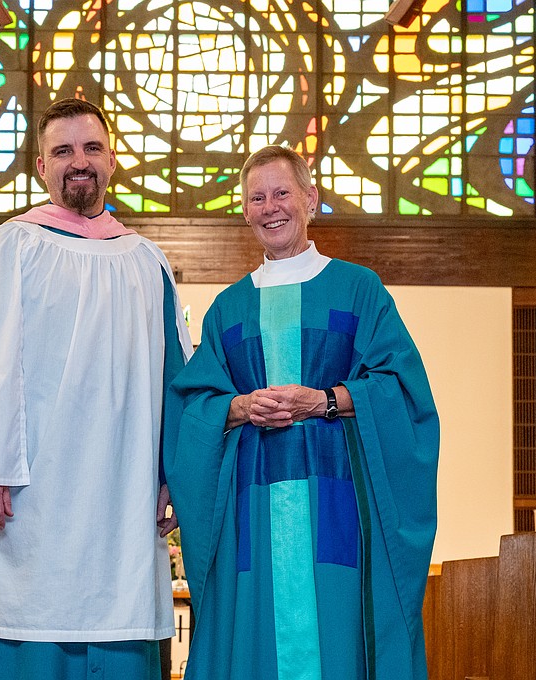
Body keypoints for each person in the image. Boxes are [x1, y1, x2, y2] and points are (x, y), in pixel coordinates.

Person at [0, 97, 192, 680]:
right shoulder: (11, 246)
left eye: (91, 148)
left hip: (118, 496)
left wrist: (173, 474)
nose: (79, 162)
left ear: (112, 160)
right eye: (62, 151)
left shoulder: (147, 263)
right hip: (28, 498)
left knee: (116, 624)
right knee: (22, 627)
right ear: (41, 167)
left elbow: (174, 376)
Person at [163, 145, 439, 680]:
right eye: (257, 198)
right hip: (252, 512)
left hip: (339, 507)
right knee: (259, 643)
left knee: (336, 638)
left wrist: (326, 400)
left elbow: (402, 390)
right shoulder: (228, 309)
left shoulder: (359, 289)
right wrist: (239, 407)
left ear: (310, 199)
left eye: (282, 193)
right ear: (244, 211)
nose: (271, 207)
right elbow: (193, 406)